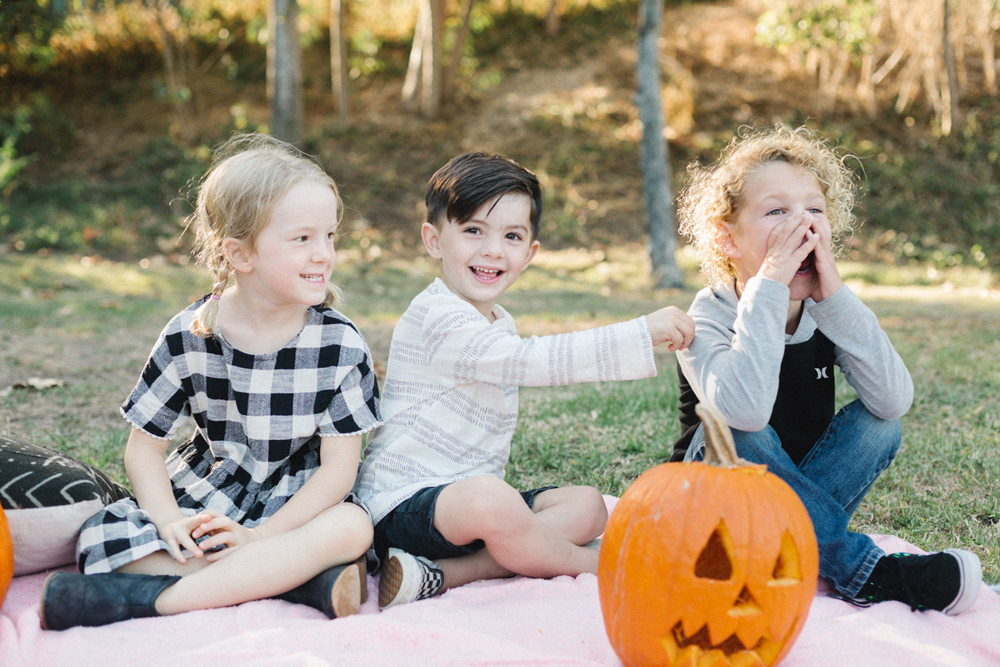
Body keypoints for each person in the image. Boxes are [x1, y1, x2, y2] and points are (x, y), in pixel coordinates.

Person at [39, 134, 382, 630]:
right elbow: (144, 449)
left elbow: (338, 473)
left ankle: (157, 599)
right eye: (303, 239)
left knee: (351, 528)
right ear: (240, 254)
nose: (324, 254)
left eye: (329, 236)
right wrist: (170, 522)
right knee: (100, 536)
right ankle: (296, 581)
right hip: (209, 492)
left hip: (298, 505)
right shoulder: (190, 333)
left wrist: (260, 538)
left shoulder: (340, 344)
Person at [355, 151, 696, 609]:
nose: (493, 250)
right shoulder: (437, 316)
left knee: (587, 506)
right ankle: (603, 563)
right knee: (493, 500)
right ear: (434, 241)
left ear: (530, 253)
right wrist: (639, 333)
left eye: (512, 236)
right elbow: (532, 361)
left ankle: (440, 574)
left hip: (466, 511)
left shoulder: (498, 319)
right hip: (402, 506)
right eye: (474, 230)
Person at [672, 124, 981, 614]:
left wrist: (834, 297)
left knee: (879, 423)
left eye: (814, 210)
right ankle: (864, 571)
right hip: (710, 507)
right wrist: (769, 288)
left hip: (802, 489)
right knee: (736, 430)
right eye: (777, 212)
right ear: (727, 238)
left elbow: (894, 399)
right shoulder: (705, 318)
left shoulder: (824, 311)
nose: (802, 226)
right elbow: (746, 414)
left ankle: (784, 549)